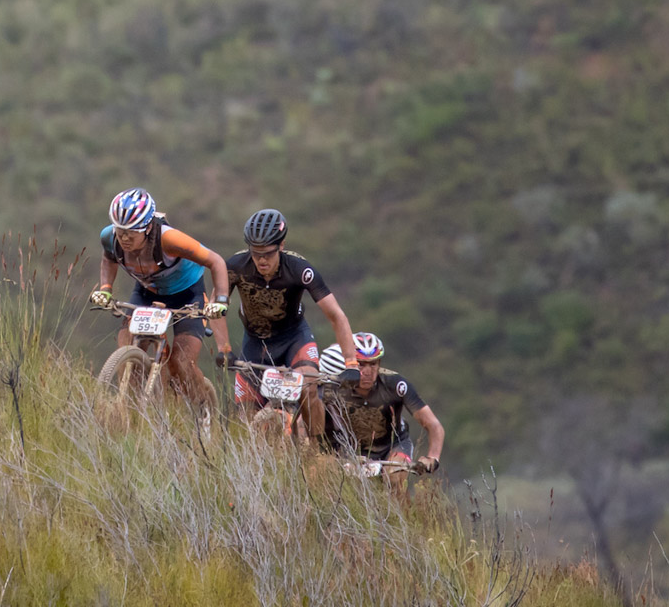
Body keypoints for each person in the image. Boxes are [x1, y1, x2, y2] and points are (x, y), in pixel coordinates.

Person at [90, 188, 232, 413]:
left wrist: (221, 300)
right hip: (147, 293)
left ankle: (204, 409)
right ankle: (134, 411)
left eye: (131, 233)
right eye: (121, 231)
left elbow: (216, 261)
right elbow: (109, 259)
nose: (124, 238)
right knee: (127, 346)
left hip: (187, 295)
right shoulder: (109, 237)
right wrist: (106, 289)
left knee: (181, 363)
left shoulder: (169, 239)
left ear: (147, 228)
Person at [224, 207, 358, 438]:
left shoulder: (300, 270)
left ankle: (315, 450)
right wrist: (223, 349)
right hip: (255, 343)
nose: (261, 260)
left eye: (267, 253)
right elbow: (217, 308)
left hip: (294, 339)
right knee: (244, 419)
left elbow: (336, 315)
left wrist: (352, 363)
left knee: (308, 388)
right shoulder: (235, 267)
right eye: (255, 253)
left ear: (281, 246)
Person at [323, 331, 444, 473]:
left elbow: (433, 425)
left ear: (379, 363)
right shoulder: (334, 386)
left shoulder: (395, 384)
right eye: (361, 365)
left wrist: (433, 457)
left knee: (395, 476)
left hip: (393, 446)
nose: (367, 371)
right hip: (350, 450)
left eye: (373, 364)